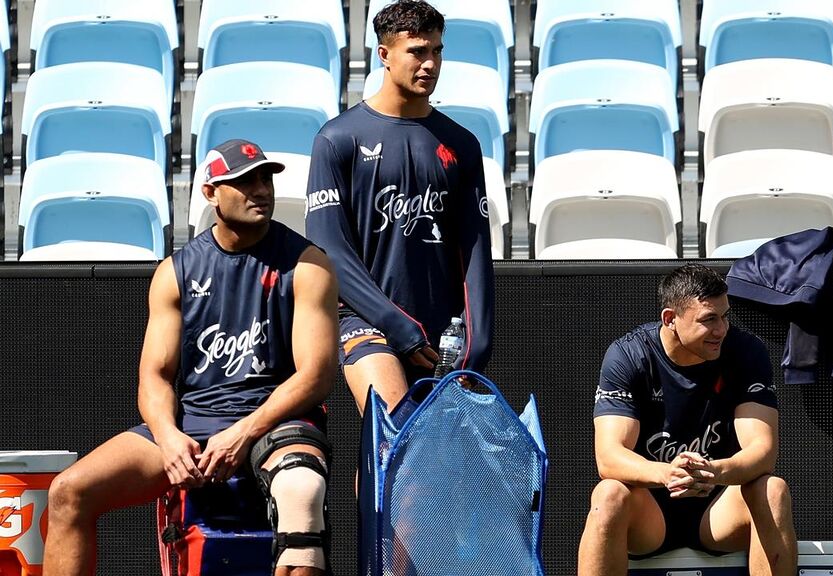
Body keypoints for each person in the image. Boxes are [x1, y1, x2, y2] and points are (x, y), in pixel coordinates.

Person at [42, 139, 340, 576]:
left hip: (277, 422)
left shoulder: (308, 264)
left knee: (302, 490)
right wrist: (167, 437)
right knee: (68, 492)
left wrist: (242, 433)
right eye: (242, 181)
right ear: (210, 192)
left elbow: (316, 375)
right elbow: (155, 377)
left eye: (264, 178)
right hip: (194, 423)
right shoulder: (176, 271)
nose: (260, 189)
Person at [305, 0, 494, 415]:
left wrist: (476, 342)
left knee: (420, 465)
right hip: (366, 321)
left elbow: (476, 250)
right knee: (393, 422)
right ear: (385, 55)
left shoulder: (461, 144)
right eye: (417, 51)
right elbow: (330, 250)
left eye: (437, 51)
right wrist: (396, 325)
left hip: (440, 333)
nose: (429, 63)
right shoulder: (337, 139)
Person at [579, 263, 797, 576]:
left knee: (772, 490)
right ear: (670, 319)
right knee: (608, 494)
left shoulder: (746, 350)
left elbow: (763, 452)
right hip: (650, 515)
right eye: (709, 319)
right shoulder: (628, 355)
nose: (722, 329)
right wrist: (668, 474)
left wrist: (714, 472)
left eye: (725, 316)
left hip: (718, 510)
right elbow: (609, 458)